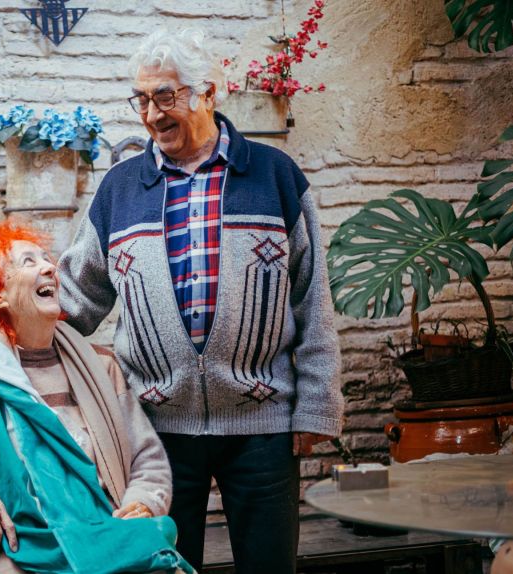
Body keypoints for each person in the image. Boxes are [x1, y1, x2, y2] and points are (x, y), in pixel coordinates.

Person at [57, 27, 345, 573]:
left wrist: (316, 406)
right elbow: (76, 297)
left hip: (263, 425)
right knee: (162, 568)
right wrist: (4, 339)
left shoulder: (274, 175)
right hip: (155, 429)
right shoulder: (120, 188)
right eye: (141, 99)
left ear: (208, 93)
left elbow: (312, 299)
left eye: (165, 97)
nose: (150, 115)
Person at [0, 221, 193, 574]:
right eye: (28, 262)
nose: (49, 267)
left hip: (105, 532)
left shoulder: (101, 367)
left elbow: (147, 458)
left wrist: (143, 501)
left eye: (47, 259)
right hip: (15, 547)